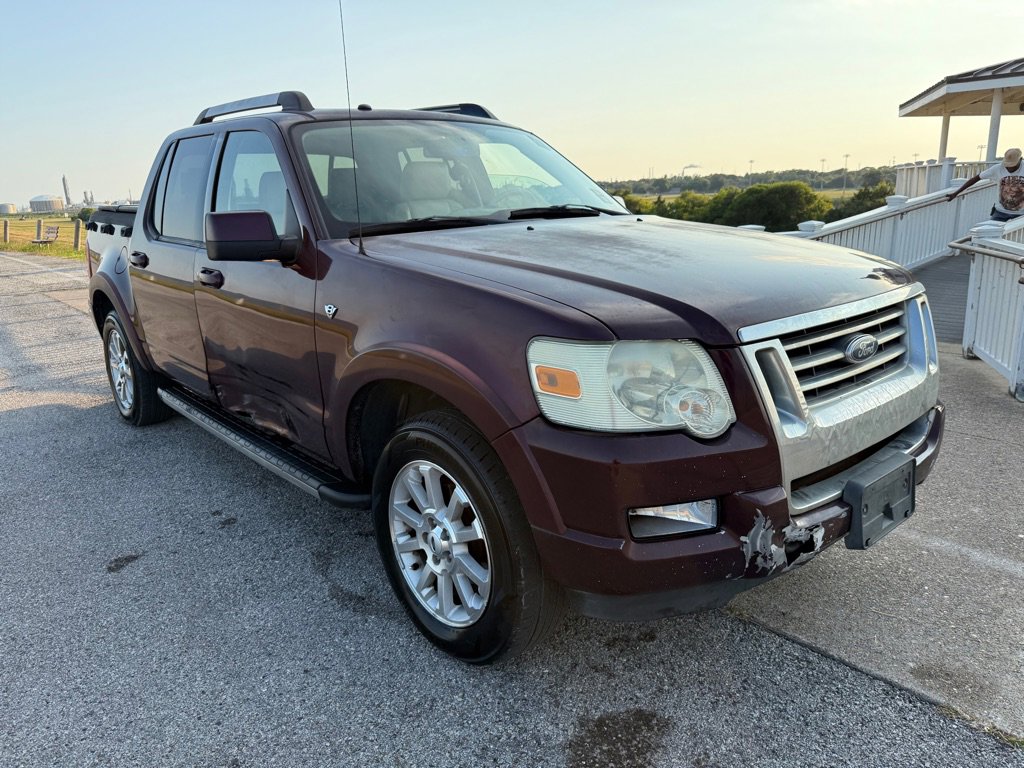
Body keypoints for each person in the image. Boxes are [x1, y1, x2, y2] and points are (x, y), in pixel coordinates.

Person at [946, 147, 1024, 221]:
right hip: (1001, 212)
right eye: (1007, 165)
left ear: (1020, 160)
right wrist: (956, 193)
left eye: (1012, 166)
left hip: (1021, 214)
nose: (1009, 168)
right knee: (990, 232)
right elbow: (976, 178)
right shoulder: (998, 168)